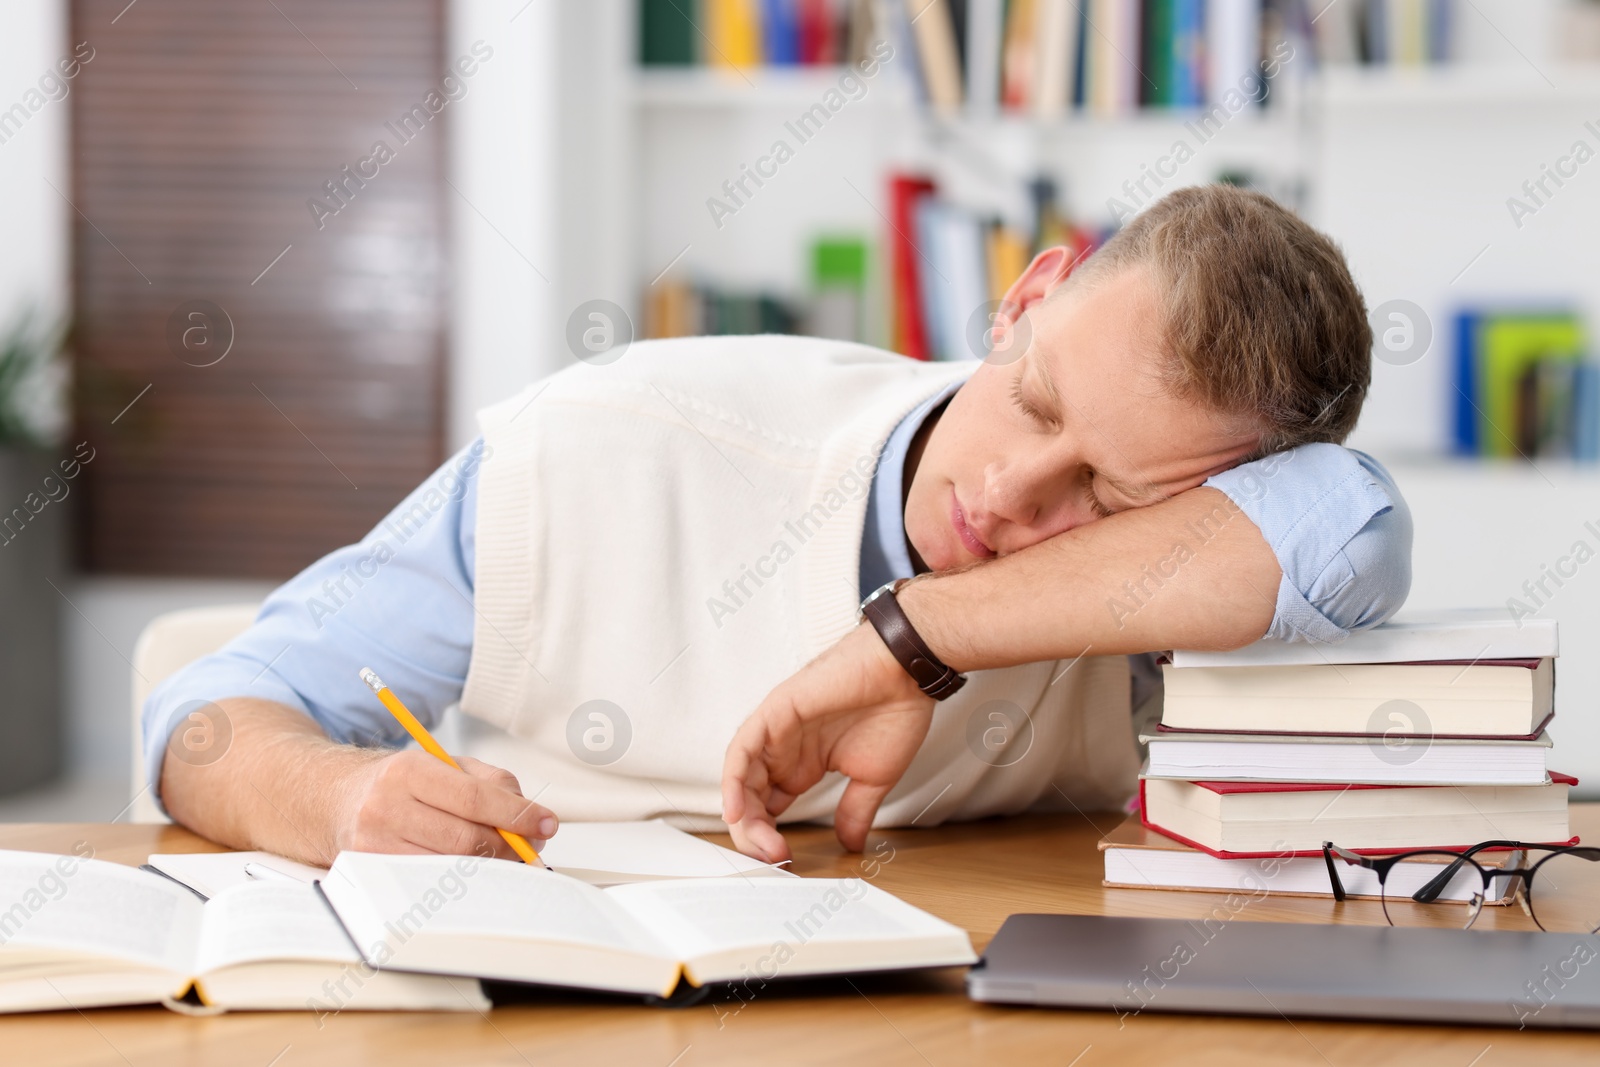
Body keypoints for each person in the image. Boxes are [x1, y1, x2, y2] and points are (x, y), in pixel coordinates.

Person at [145, 185, 1410, 867]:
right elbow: (209, 709)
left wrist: (911, 635)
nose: (1017, 493)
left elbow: (1349, 524)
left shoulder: (1182, 569)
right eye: (1034, 401)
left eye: (1109, 498)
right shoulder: (610, 434)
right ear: (1026, 297)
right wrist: (343, 791)